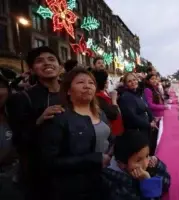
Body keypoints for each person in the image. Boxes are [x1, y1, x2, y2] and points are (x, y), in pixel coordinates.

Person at [38, 68, 111, 200]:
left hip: (102, 183)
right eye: (80, 82)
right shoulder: (59, 117)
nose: (87, 86)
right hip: (73, 189)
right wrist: (93, 159)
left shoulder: (101, 114)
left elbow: (109, 140)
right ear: (68, 90)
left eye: (91, 83)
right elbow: (49, 161)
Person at [5, 46, 63, 200]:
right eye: (39, 61)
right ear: (31, 69)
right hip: (42, 177)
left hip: (76, 170)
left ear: (60, 67)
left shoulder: (73, 92)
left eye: (51, 59)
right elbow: (19, 140)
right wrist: (39, 120)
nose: (46, 63)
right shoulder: (22, 98)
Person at [102, 130, 171, 200]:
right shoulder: (115, 186)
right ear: (122, 164)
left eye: (147, 155)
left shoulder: (143, 166)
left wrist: (157, 164)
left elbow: (166, 183)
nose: (146, 163)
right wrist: (147, 182)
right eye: (138, 160)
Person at [94, 70, 124, 136]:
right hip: (112, 132)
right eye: (107, 79)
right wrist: (114, 100)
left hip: (117, 130)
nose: (108, 82)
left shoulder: (105, 93)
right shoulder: (98, 97)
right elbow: (113, 114)